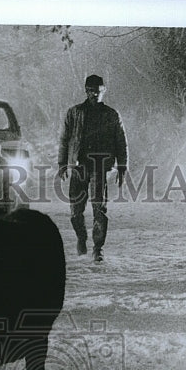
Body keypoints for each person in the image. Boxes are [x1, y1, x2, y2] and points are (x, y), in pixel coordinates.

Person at [57, 75, 128, 262]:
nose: (94, 94)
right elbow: (64, 139)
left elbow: (121, 141)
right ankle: (81, 237)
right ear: (86, 91)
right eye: (91, 90)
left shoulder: (112, 115)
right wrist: (62, 164)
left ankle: (98, 248)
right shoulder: (74, 113)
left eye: (98, 90)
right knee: (75, 210)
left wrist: (122, 166)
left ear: (104, 91)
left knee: (100, 209)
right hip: (79, 166)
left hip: (99, 167)